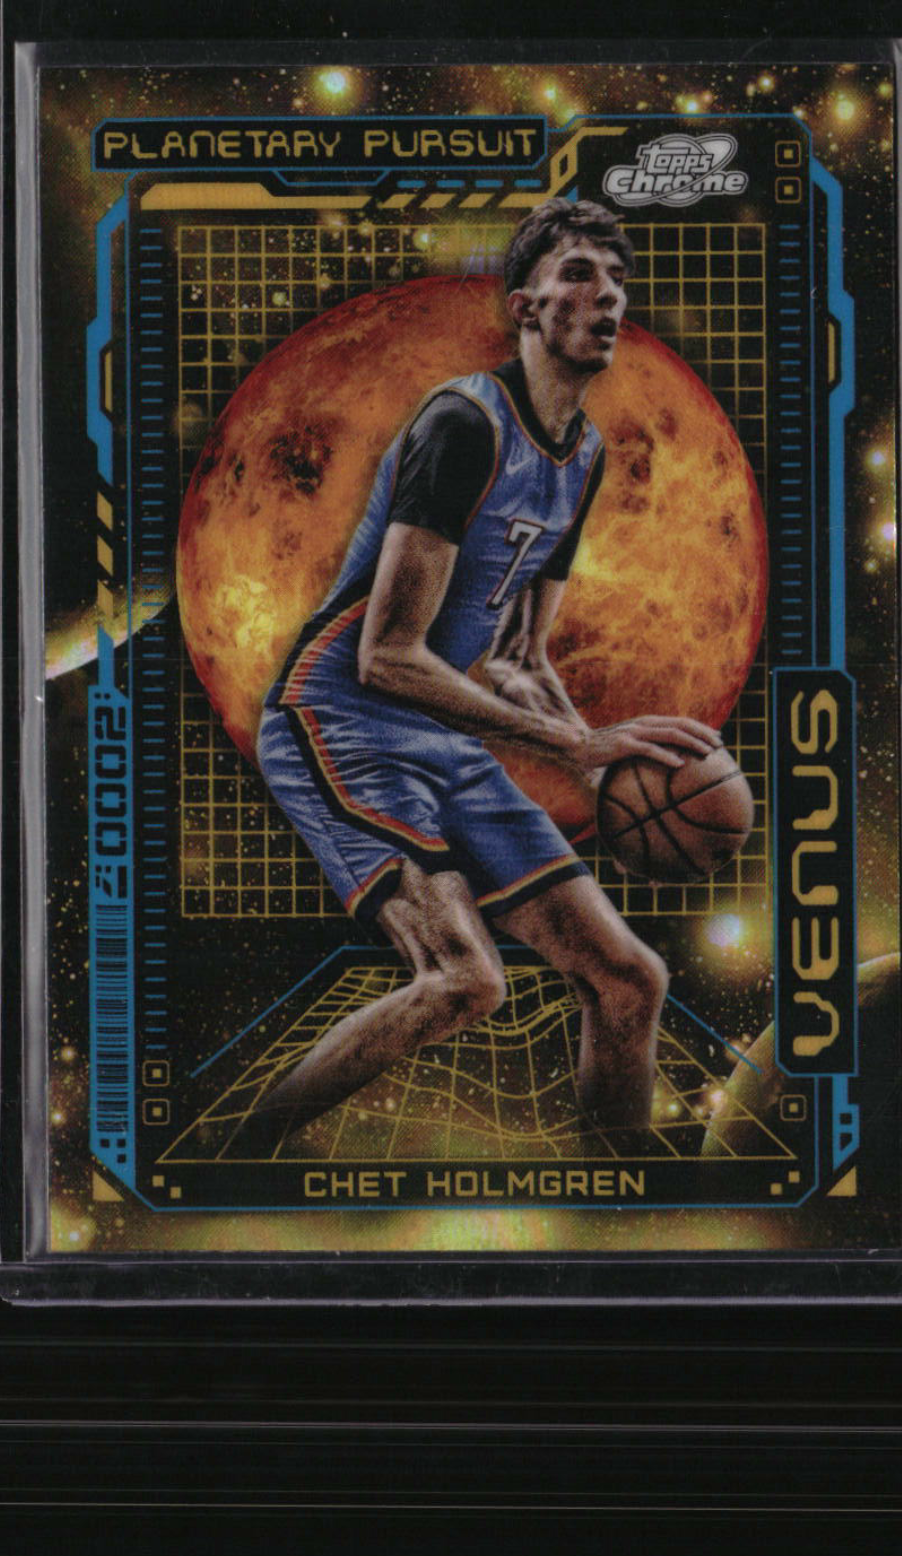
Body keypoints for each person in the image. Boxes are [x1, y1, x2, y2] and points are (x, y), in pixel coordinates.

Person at [256, 199, 719, 1146]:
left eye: (619, 280)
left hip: (440, 732)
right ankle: (237, 1156)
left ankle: (627, 1203)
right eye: (580, 273)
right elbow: (385, 656)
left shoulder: (584, 456)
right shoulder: (463, 424)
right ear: (525, 307)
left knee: (631, 980)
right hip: (335, 716)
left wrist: (604, 762)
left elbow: (519, 660)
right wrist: (575, 744)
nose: (608, 296)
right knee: (465, 981)